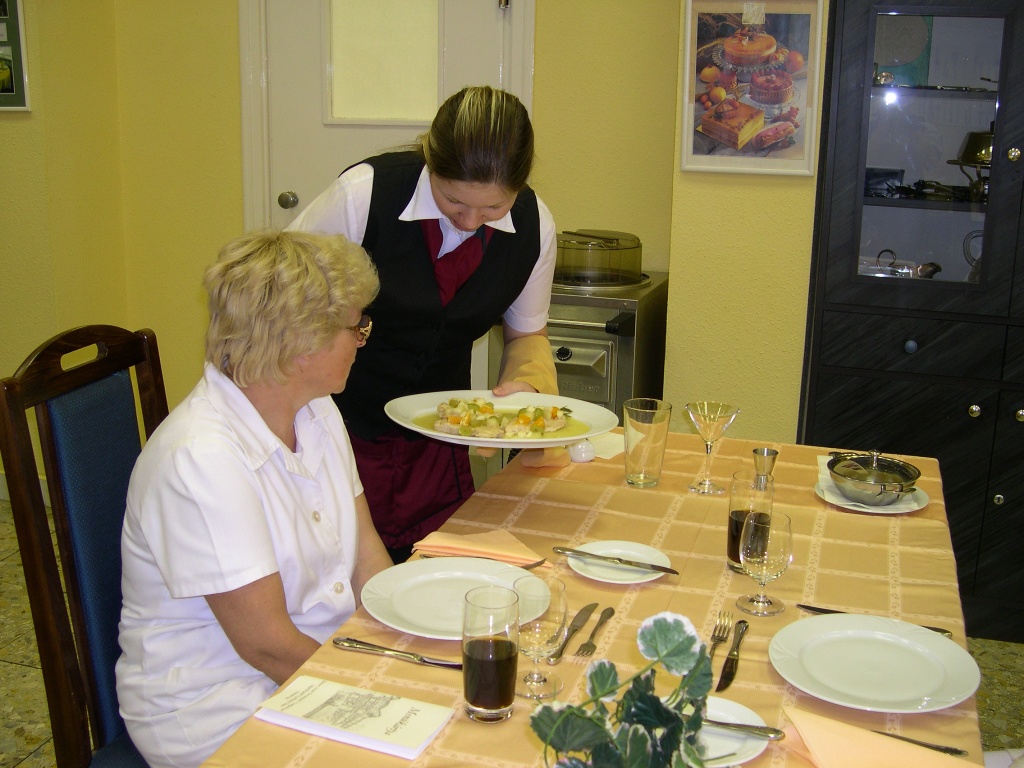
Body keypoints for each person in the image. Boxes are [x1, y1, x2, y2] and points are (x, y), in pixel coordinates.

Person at [116, 230, 393, 767]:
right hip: (220, 704)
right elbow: (266, 645)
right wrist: (375, 694)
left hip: (316, 659)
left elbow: (366, 556)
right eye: (356, 327)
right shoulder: (201, 459)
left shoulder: (316, 410)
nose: (363, 340)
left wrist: (404, 641)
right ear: (302, 344)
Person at [289, 85, 563, 563]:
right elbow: (279, 307)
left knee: (436, 576)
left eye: (493, 208)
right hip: (337, 431)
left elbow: (526, 335)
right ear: (429, 164)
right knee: (336, 574)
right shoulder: (363, 195)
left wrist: (526, 387)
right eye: (454, 201)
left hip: (438, 446)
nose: (471, 221)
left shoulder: (535, 227)